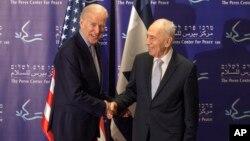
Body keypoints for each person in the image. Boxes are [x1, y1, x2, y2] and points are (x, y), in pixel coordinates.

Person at [108, 19, 199, 141]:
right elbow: (132, 92)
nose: (147, 42)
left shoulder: (186, 69)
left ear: (167, 41)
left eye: (152, 38)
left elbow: (191, 117)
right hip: (140, 135)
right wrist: (117, 103)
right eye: (147, 37)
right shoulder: (141, 61)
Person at [49, 4, 109, 141]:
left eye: (102, 26)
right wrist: (105, 107)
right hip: (71, 129)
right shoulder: (69, 51)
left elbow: (92, 90)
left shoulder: (96, 47)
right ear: (81, 22)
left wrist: (116, 104)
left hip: (87, 126)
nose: (97, 30)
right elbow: (75, 95)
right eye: (93, 24)